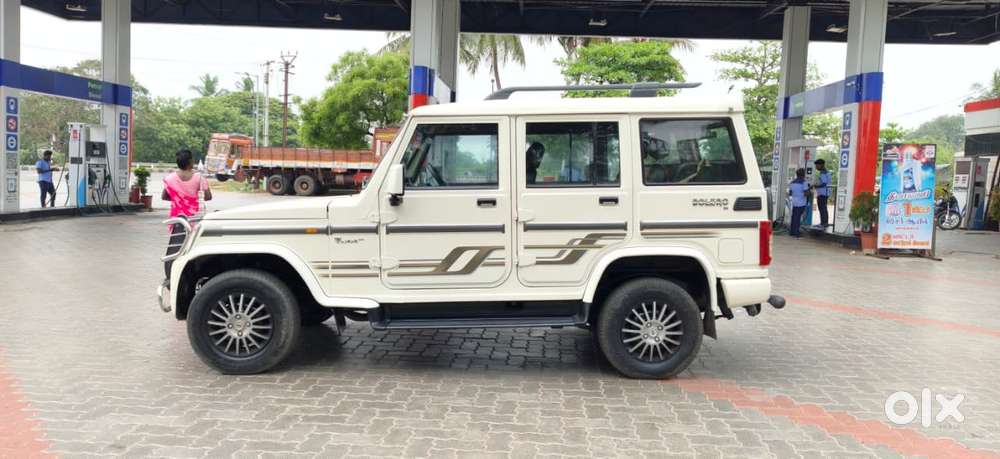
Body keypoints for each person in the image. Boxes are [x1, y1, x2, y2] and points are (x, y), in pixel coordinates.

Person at [162, 149, 212, 276]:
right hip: (195, 220)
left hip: (178, 220)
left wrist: (178, 198)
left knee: (176, 248)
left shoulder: (170, 179)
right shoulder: (198, 178)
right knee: (194, 248)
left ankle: (173, 275)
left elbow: (165, 196)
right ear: (190, 162)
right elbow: (208, 196)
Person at [788, 168, 810, 238]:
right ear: (803, 174)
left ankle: (792, 231)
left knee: (794, 216)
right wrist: (810, 192)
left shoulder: (792, 182)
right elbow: (806, 193)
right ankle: (796, 232)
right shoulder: (804, 182)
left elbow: (790, 193)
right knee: (797, 217)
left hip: (794, 202)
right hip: (801, 202)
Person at [813, 159, 831, 227]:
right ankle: (824, 223)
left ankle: (823, 223)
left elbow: (824, 183)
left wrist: (815, 186)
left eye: (817, 165)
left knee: (822, 208)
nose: (816, 167)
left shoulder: (823, 173)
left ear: (821, 165)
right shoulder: (826, 172)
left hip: (823, 193)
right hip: (825, 193)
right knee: (824, 208)